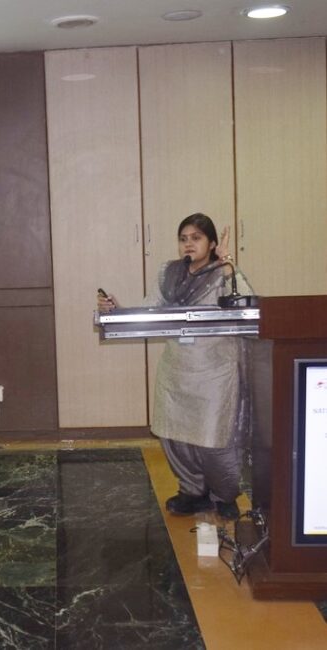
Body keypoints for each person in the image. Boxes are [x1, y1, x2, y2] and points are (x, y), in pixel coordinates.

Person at [97, 213, 254, 520]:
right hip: (176, 370)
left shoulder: (222, 273)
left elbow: (247, 303)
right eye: (183, 239)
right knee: (175, 437)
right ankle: (193, 492)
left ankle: (224, 495)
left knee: (215, 440)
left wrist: (229, 264)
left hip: (215, 372)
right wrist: (116, 308)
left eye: (196, 238)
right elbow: (149, 310)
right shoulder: (168, 273)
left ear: (211, 243)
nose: (188, 244)